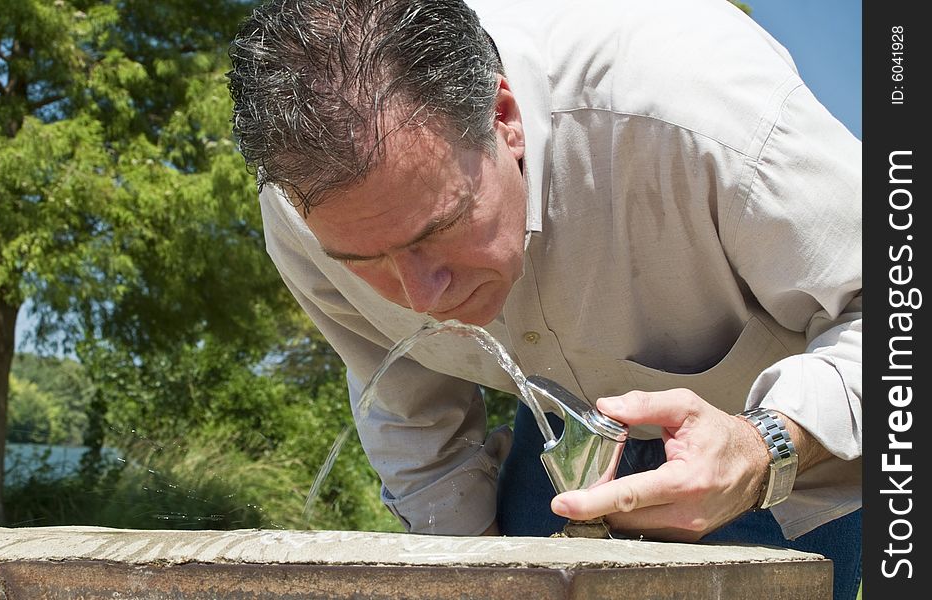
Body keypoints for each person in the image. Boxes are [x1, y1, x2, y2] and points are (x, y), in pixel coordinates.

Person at [227, 0, 862, 598]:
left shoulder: (699, 108)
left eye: (437, 231)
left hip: (790, 441)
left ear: (504, 121)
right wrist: (467, 566)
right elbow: (410, 408)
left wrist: (766, 446)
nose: (421, 299)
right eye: (365, 262)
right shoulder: (303, 213)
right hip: (563, 430)